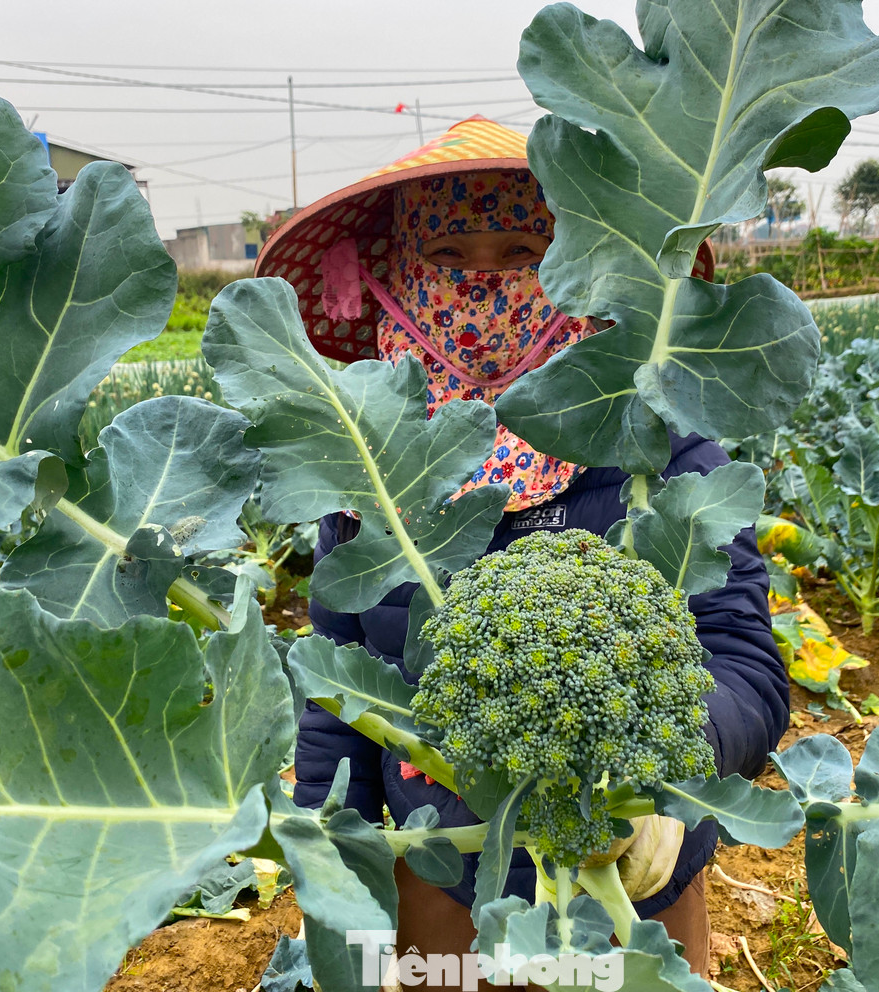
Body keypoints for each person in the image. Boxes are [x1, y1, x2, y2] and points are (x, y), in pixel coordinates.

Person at [254, 117, 788, 989]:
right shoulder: (365, 473)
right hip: (444, 877)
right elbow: (337, 694)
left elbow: (746, 666)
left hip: (633, 887)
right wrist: (337, 872)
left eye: (519, 250)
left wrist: (666, 778)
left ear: (577, 268)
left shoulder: (661, 446)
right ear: (394, 273)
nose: (483, 285)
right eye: (451, 255)